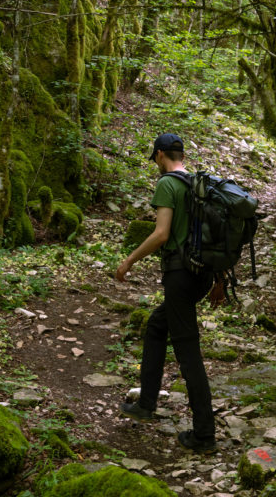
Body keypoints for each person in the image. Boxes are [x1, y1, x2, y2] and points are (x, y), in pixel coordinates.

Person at [114, 132, 217, 454]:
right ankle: (146, 403)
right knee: (158, 327)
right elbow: (215, 236)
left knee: (188, 354)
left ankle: (204, 434)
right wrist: (221, 282)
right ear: (181, 154)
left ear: (160, 155)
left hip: (180, 276)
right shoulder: (200, 185)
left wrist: (129, 260)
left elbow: (161, 234)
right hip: (203, 276)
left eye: (155, 158)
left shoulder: (168, 185)